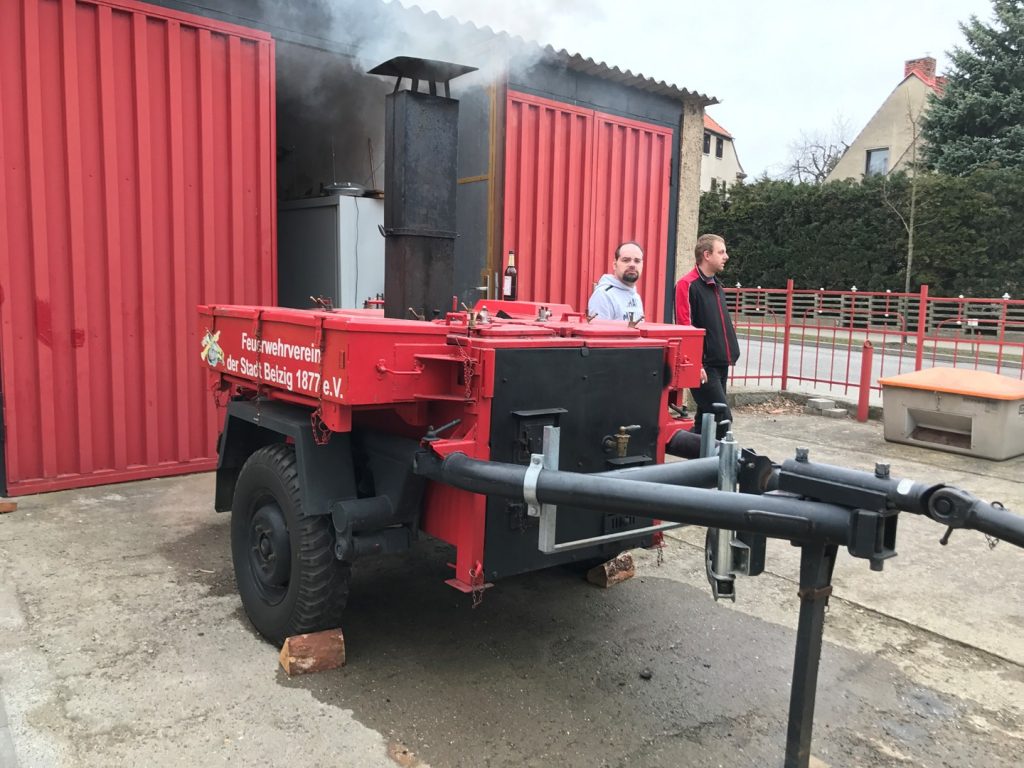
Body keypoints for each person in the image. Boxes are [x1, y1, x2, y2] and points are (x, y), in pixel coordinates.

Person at [675, 234, 740, 437]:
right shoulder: (687, 285)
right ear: (707, 255)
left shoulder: (717, 286)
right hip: (704, 366)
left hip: (720, 363)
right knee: (722, 416)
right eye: (721, 252)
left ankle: (692, 454)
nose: (726, 256)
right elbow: (685, 326)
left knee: (706, 420)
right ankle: (719, 458)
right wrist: (696, 364)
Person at [587, 241, 645, 322]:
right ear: (615, 264)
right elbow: (598, 329)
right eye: (626, 260)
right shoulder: (603, 295)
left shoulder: (636, 297)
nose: (632, 265)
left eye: (637, 261)